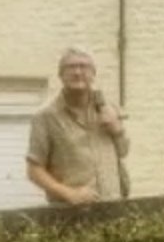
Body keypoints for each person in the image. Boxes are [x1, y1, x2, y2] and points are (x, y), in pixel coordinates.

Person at [25, 47, 128, 204]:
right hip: (71, 211)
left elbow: (123, 151)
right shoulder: (45, 117)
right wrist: (69, 193)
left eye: (84, 66)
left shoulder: (107, 108)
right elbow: (34, 170)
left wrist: (117, 129)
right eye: (71, 67)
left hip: (113, 204)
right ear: (61, 75)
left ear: (93, 74)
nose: (78, 72)